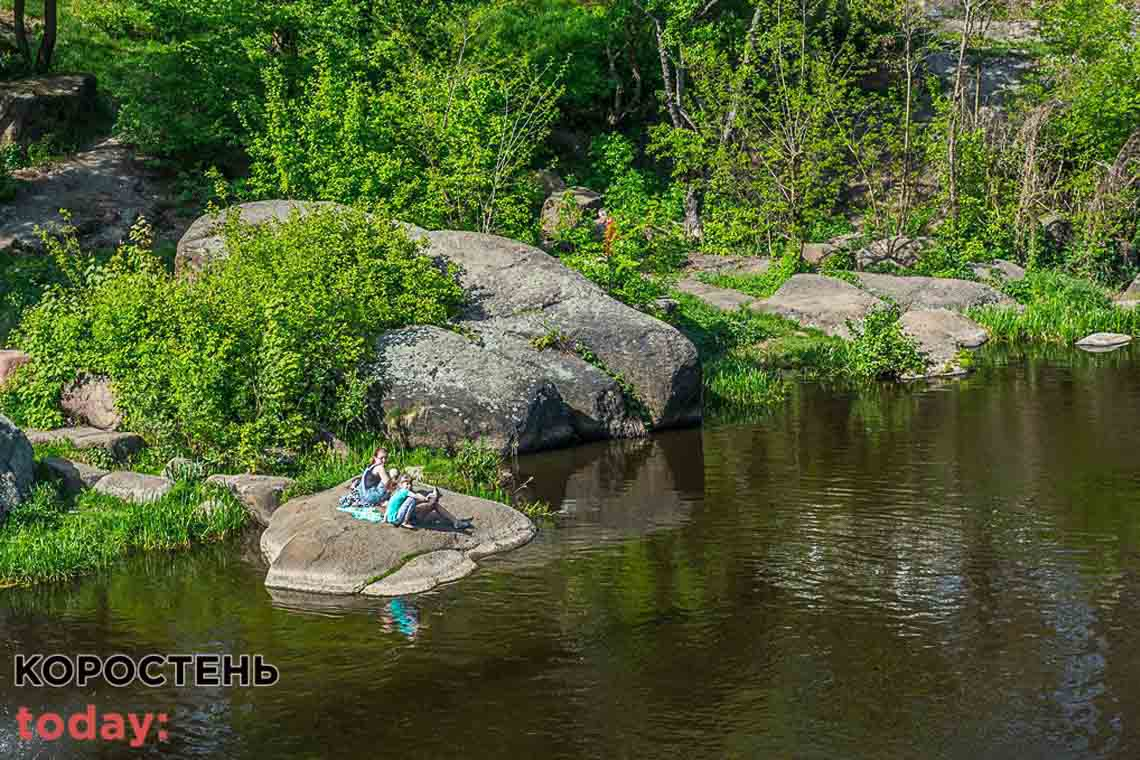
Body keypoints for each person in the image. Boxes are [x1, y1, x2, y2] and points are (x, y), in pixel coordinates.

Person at [385, 474, 472, 531]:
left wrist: (385, 519)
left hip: (396, 518)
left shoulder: (396, 493)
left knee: (433, 508)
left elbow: (390, 506)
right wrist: (428, 498)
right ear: (400, 484)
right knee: (414, 500)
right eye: (406, 483)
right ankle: (405, 522)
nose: (409, 485)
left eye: (410, 483)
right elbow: (417, 497)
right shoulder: (404, 492)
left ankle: (456, 522)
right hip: (398, 519)